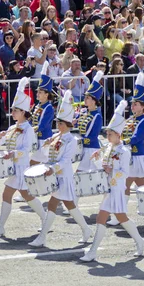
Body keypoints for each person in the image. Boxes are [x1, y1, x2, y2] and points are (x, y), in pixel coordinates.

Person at [80, 101, 144, 262]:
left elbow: (124, 172)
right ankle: (140, 241)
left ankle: (93, 251)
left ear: (118, 135)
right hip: (109, 188)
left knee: (103, 218)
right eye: (107, 134)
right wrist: (97, 160)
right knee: (121, 218)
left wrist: (112, 171)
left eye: (110, 134)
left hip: (116, 189)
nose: (107, 136)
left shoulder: (124, 151)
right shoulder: (109, 149)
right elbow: (104, 168)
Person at [29, 90, 93, 247]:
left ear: (68, 125)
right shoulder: (55, 137)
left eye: (61, 123)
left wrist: (54, 168)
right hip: (55, 176)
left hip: (63, 176)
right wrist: (45, 146)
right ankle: (86, 229)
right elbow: (48, 155)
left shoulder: (71, 140)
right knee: (69, 205)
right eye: (57, 123)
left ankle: (43, 237)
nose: (58, 125)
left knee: (57, 205)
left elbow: (66, 160)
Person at [0, 78, 47, 238]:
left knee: (27, 195)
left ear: (23, 112)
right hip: (13, 167)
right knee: (8, 195)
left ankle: (45, 219)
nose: (12, 112)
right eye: (12, 110)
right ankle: (0, 227)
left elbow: (26, 149)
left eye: (15, 110)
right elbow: (0, 142)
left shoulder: (28, 129)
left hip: (21, 167)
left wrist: (13, 153)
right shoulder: (13, 127)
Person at [107, 72, 144, 226]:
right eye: (132, 104)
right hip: (129, 156)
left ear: (143, 106)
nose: (133, 106)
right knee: (142, 185)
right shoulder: (130, 119)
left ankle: (119, 215)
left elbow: (137, 138)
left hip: (137, 156)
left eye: (136, 104)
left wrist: (121, 142)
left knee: (126, 184)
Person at [76, 70, 104, 172]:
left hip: (92, 149)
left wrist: (79, 142)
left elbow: (93, 136)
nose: (85, 99)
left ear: (94, 101)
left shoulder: (97, 116)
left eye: (87, 98)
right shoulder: (83, 112)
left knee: (97, 178)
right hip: (85, 148)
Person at [29, 62, 55, 165]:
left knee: (35, 164)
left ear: (46, 94)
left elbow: (42, 125)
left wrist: (29, 130)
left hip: (44, 139)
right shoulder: (38, 106)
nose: (37, 94)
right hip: (37, 139)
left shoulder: (49, 108)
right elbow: (32, 121)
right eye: (37, 92)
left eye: (40, 92)